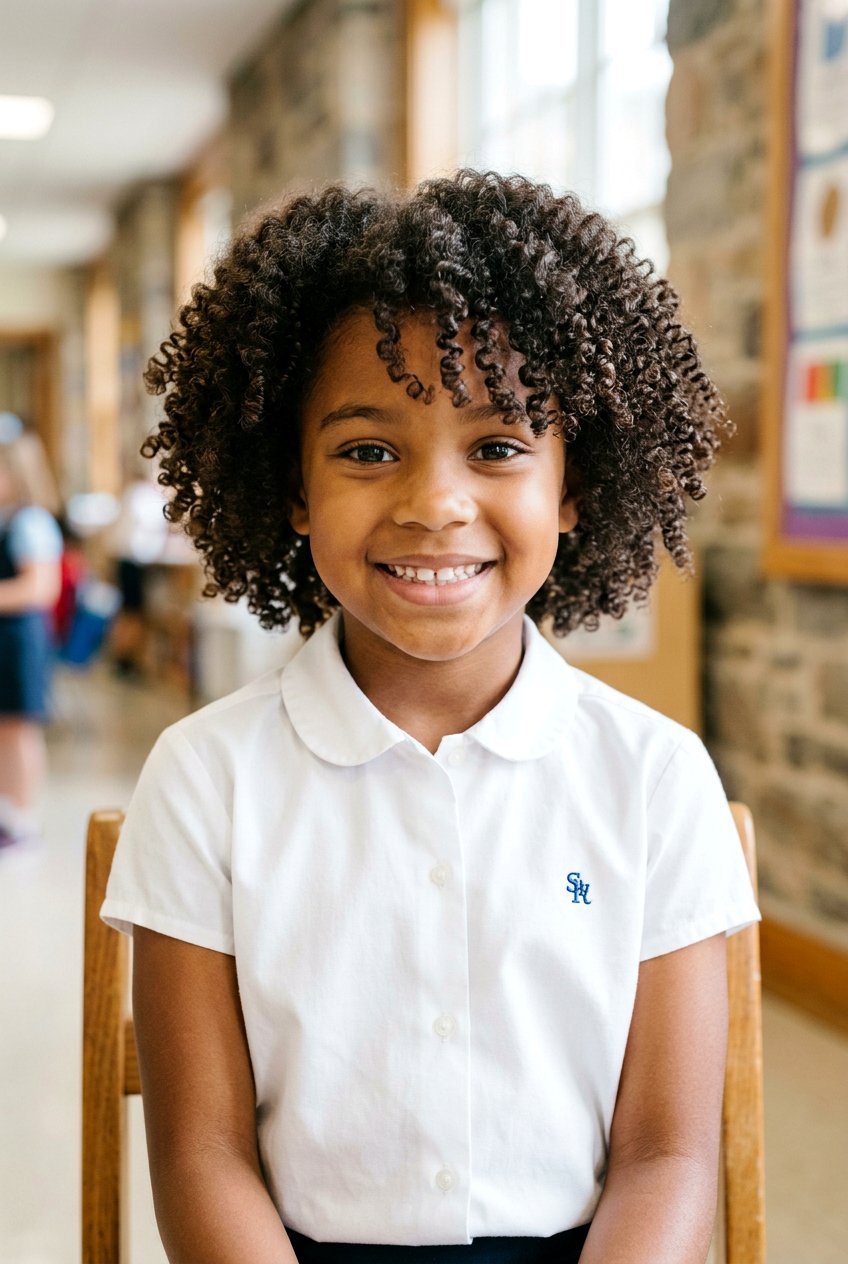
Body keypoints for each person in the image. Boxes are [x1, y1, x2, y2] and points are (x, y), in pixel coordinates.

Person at [102, 171, 760, 1264]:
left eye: (497, 447)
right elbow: (201, 1157)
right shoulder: (203, 775)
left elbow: (666, 1159)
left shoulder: (652, 775)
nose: (432, 503)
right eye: (367, 450)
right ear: (295, 485)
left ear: (571, 486)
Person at [0, 415, 62, 848]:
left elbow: (41, 587)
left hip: (21, 641)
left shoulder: (31, 522)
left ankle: (23, 820)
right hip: (6, 639)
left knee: (21, 730)